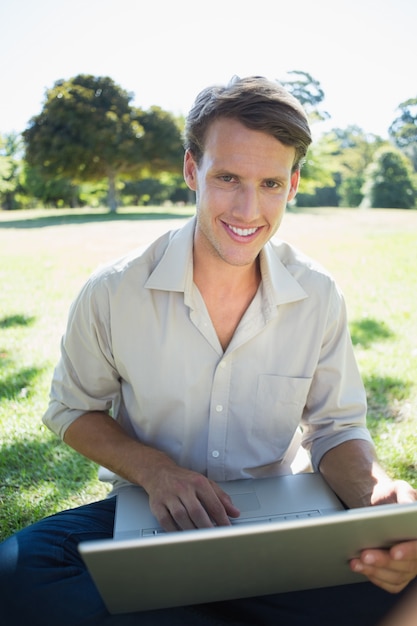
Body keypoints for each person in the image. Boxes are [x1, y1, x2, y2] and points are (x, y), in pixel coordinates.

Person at [0, 76, 416, 626]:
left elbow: (336, 429)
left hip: (281, 519)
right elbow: (72, 410)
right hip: (149, 513)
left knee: (402, 579)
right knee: (18, 572)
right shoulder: (113, 291)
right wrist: (156, 472)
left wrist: (375, 496)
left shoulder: (317, 294)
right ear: (192, 170)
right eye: (227, 178)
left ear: (293, 184)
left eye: (270, 183)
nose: (248, 209)